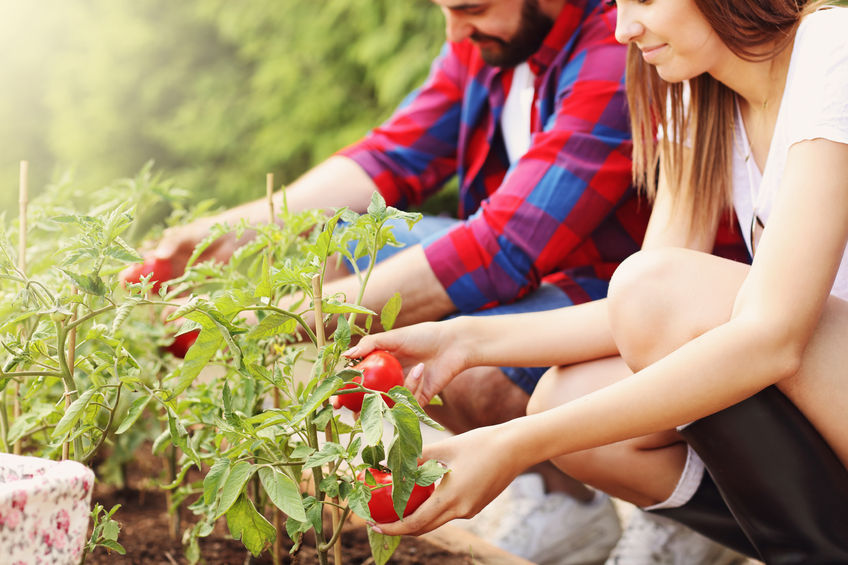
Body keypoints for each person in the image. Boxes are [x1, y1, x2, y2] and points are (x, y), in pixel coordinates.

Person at [154, 1, 665, 562]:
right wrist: (231, 230)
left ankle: (667, 506)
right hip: (547, 272)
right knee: (344, 245)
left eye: (470, 9)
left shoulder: (613, 50)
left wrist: (271, 320)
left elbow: (500, 247)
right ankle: (566, 504)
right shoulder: (490, 42)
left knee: (462, 369)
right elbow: (391, 154)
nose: (454, 32)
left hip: (627, 289)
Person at [346, 0, 848, 562]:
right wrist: (464, 341)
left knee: (651, 296)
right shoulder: (698, 89)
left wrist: (512, 445)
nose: (622, 27)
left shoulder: (831, 53)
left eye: (645, 1)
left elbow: (769, 337)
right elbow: (635, 320)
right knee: (564, 396)